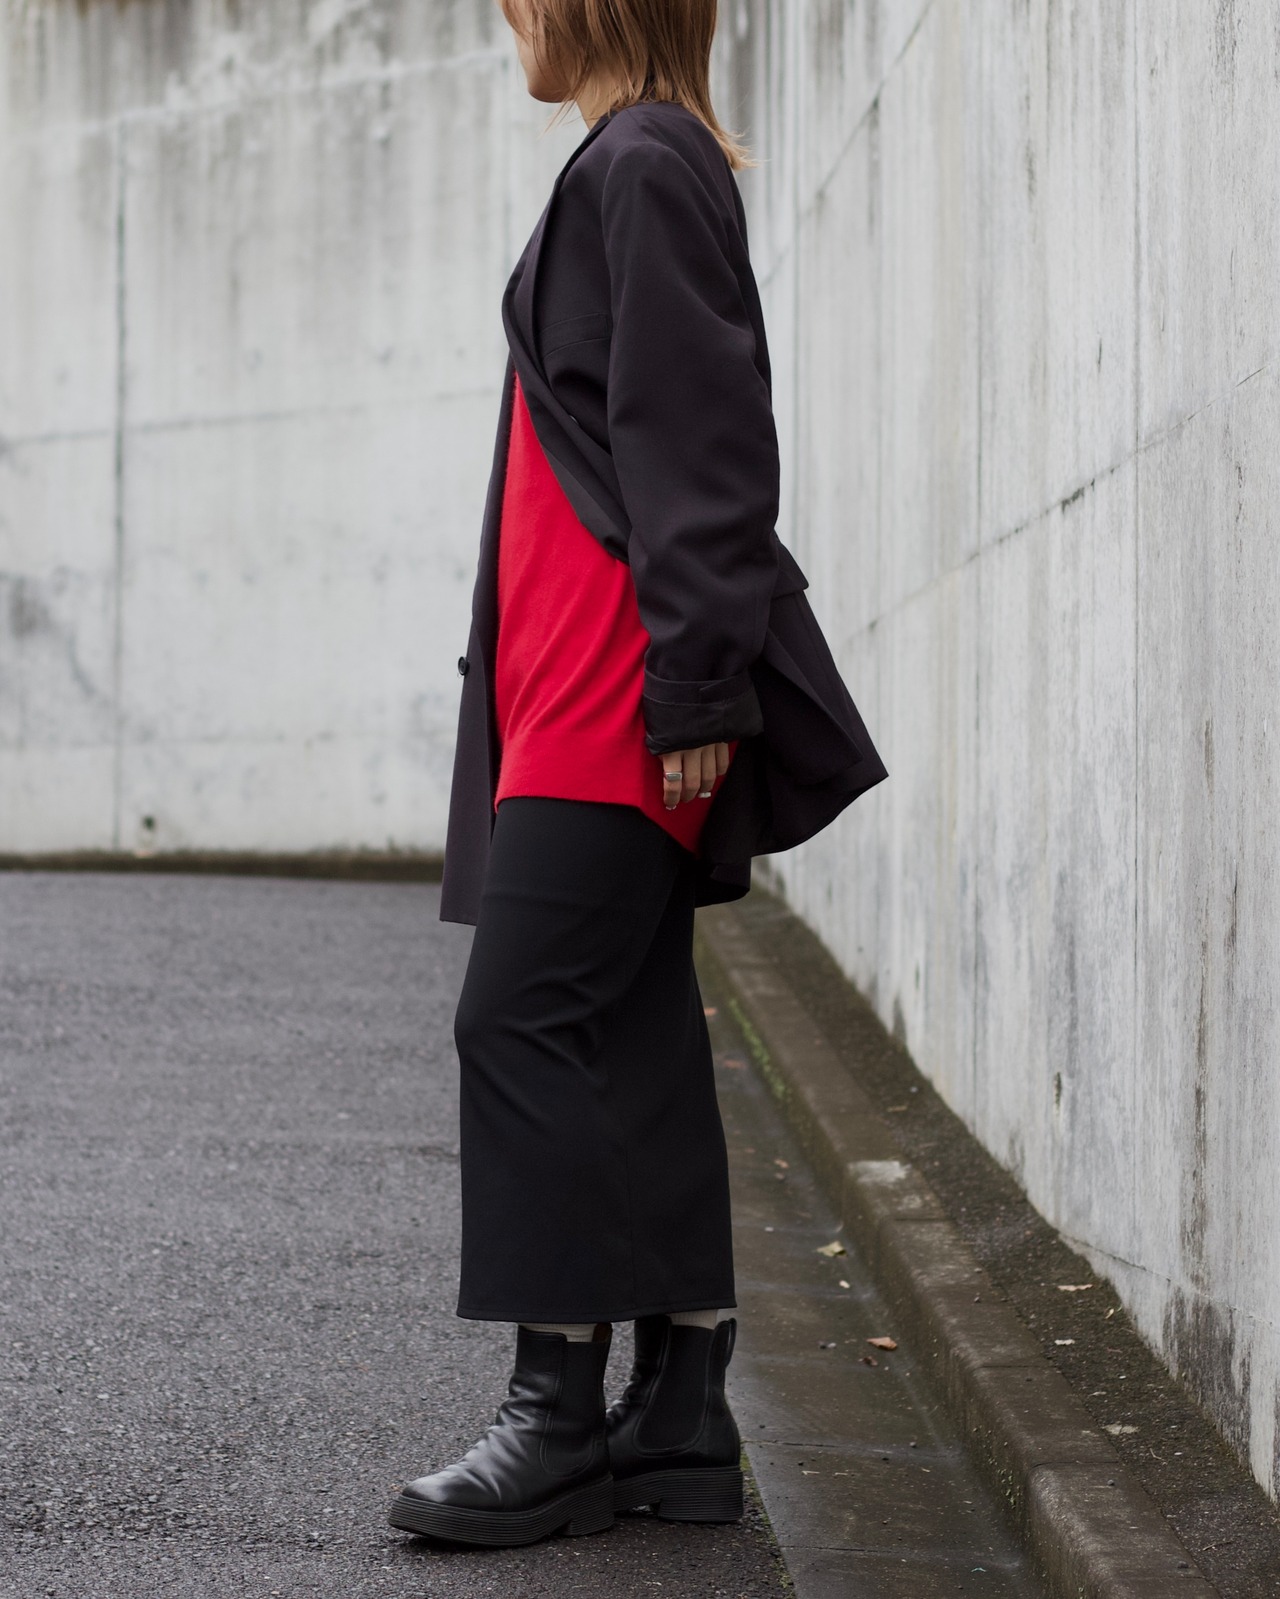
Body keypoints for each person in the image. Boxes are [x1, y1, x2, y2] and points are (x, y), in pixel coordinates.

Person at [389, 0, 885, 1550]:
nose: (507, 19)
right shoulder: (631, 160)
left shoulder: (646, 162)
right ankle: (677, 1412)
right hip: (576, 692)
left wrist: (693, 683)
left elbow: (709, 440)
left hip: (615, 698)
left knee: (521, 1020)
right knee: (634, 1030)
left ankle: (554, 1414)